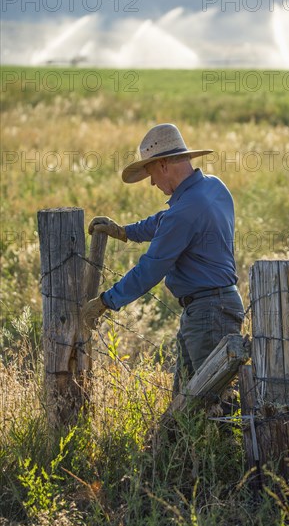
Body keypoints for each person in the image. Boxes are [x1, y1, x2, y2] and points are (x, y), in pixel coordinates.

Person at [82, 123, 244, 395]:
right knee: (191, 402)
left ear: (165, 164)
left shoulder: (183, 212)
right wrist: (125, 232)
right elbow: (165, 220)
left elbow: (149, 269)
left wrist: (104, 302)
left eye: (151, 173)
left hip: (208, 315)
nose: (152, 182)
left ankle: (219, 438)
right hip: (215, 308)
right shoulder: (214, 188)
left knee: (213, 403)